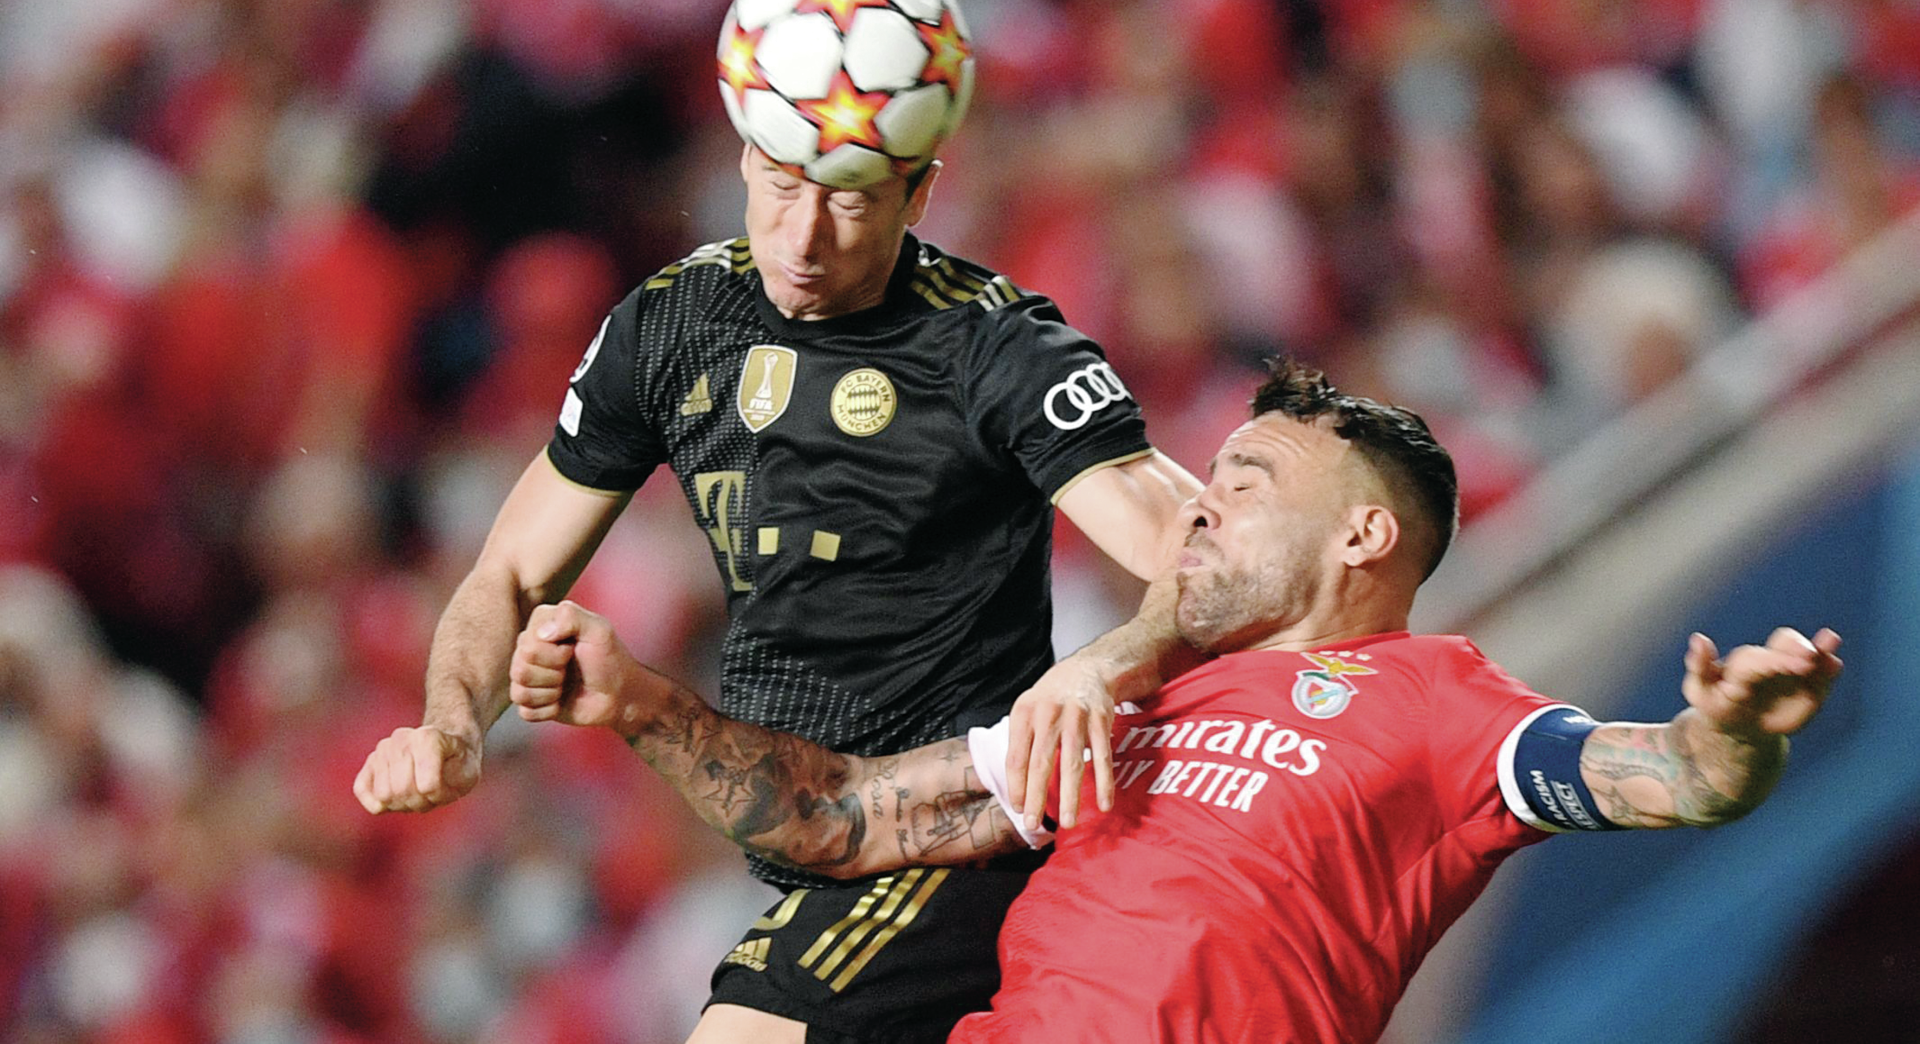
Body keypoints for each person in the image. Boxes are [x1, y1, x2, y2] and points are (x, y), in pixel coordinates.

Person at [352, 0, 1203, 1042]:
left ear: (920, 186)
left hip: (962, 832)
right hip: (808, 832)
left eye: (850, 199)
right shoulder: (670, 324)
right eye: (782, 180)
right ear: (742, 152)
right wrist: (454, 720)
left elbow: (1198, 548)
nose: (803, 238)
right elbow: (510, 568)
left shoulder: (995, 348)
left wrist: (1102, 669)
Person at [507, 360, 1844, 1044]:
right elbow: (839, 823)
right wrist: (639, 704)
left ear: (1366, 540)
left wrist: (1724, 735)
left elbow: (1662, 780)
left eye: (1251, 478)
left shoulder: (1440, 699)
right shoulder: (1120, 713)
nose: (1203, 498)